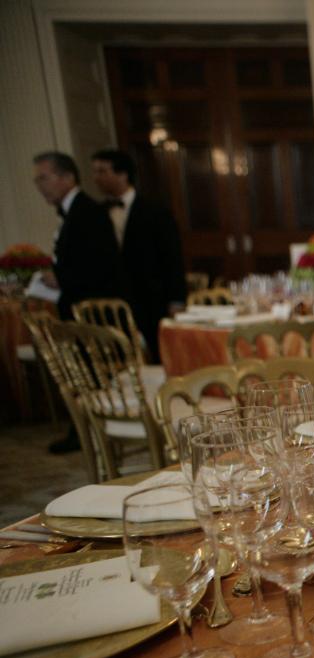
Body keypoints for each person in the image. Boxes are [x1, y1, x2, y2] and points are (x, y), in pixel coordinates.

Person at [32, 151, 121, 454]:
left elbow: (101, 265)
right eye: (37, 180)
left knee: (89, 373)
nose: (40, 186)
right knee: (82, 374)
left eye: (44, 177)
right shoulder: (74, 213)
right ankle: (88, 430)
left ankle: (91, 431)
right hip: (77, 309)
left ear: (67, 177)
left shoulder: (88, 212)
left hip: (91, 313)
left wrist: (60, 278)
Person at [91, 149, 187, 361]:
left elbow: (172, 257)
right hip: (114, 300)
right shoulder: (96, 213)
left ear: (122, 174)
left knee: (160, 353)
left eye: (102, 171)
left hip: (151, 297)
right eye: (95, 171)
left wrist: (176, 300)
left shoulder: (155, 211)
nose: (96, 177)